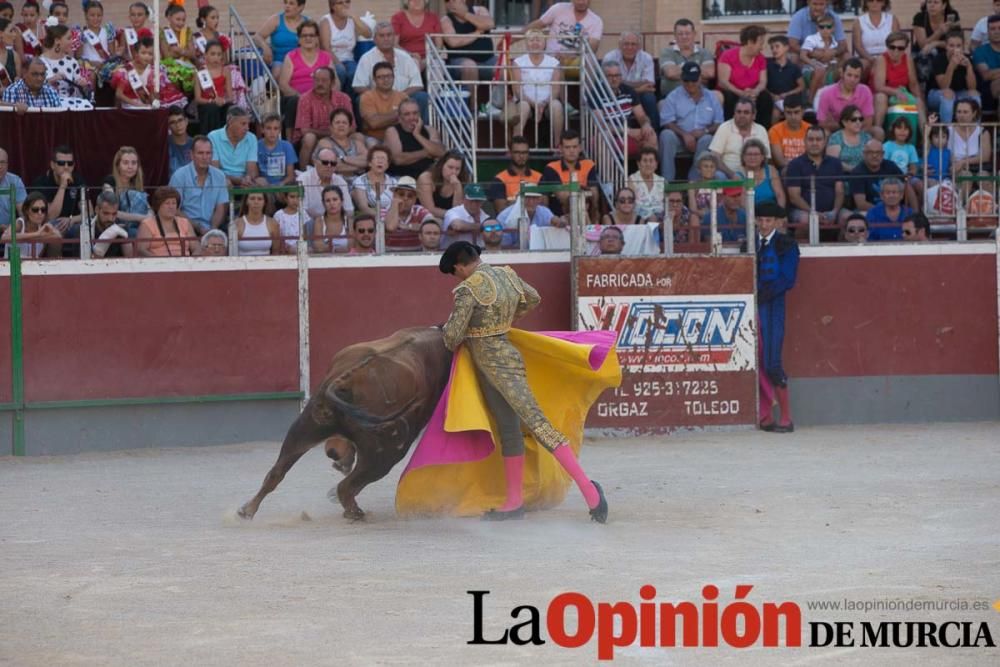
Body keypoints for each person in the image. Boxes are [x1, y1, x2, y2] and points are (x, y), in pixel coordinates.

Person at [438, 241, 608, 522]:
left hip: (494, 367)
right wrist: (505, 321)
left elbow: (452, 337)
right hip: (502, 362)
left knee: (539, 425)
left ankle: (590, 492)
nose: (457, 277)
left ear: (459, 265)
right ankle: (513, 502)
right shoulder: (507, 275)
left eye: (455, 272)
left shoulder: (468, 290)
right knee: (509, 429)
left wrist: (460, 328)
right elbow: (533, 298)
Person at [754, 201, 799, 433]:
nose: (763, 224)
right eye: (760, 220)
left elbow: (787, 279)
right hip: (752, 308)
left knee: (771, 361)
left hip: (772, 305)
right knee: (756, 360)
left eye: (768, 220)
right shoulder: (748, 244)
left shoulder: (787, 245)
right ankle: (765, 416)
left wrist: (760, 296)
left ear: (777, 222)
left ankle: (786, 418)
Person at [658, 61, 724, 182]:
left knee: (708, 139)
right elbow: (667, 121)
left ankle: (694, 180)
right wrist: (684, 134)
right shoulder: (674, 96)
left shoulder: (711, 97)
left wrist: (705, 131)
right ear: (682, 79)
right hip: (679, 137)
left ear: (700, 79)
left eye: (693, 80)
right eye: (686, 80)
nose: (690, 84)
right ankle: (667, 182)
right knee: (665, 135)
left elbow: (719, 122)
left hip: (701, 137)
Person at [353, 22, 427, 121]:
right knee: (360, 100)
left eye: (389, 35)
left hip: (404, 97)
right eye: (382, 35)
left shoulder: (405, 57)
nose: (386, 38)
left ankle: (420, 130)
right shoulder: (366, 58)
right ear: (374, 39)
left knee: (422, 97)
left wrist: (399, 97)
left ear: (394, 37)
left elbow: (417, 84)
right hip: (378, 100)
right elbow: (358, 86)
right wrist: (378, 96)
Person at [784, 126, 848, 229]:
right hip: (804, 211)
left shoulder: (835, 163)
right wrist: (814, 214)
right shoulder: (795, 164)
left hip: (832, 211)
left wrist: (835, 212)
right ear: (804, 141)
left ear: (825, 142)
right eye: (810, 139)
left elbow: (840, 191)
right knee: (807, 220)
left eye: (818, 139)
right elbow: (794, 197)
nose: (814, 143)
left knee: (848, 218)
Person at [293, 66, 354, 168]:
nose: (320, 84)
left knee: (358, 137)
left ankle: (359, 171)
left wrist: (338, 133)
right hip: (314, 139)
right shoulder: (305, 99)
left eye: (324, 80)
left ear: (333, 83)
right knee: (309, 138)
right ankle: (303, 175)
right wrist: (333, 133)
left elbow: (352, 127)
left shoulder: (344, 98)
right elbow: (305, 130)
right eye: (317, 80)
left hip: (340, 135)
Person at [511, 29, 564, 147]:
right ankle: (515, 146)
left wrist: (544, 104)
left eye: (538, 40)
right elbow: (517, 90)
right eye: (531, 40)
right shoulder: (518, 62)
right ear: (526, 43)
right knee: (523, 107)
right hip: (525, 101)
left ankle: (558, 146)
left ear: (544, 43)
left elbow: (556, 89)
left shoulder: (554, 62)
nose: (535, 43)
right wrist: (534, 105)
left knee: (557, 106)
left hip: (547, 102)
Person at [168, 135, 229, 235]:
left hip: (212, 227)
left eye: (208, 153)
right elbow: (175, 209)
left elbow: (221, 207)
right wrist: (197, 227)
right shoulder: (179, 176)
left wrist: (212, 231)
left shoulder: (219, 176)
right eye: (200, 153)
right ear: (191, 155)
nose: (205, 157)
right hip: (184, 227)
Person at [31, 144, 86, 254]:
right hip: (48, 224)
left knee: (84, 230)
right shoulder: (42, 182)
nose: (66, 167)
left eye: (70, 163)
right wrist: (62, 186)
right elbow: (50, 215)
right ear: (52, 165)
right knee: (53, 232)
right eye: (61, 163)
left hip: (71, 223)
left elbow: (89, 212)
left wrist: (72, 219)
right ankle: (54, 266)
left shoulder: (78, 180)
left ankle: (80, 266)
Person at [540, 129, 600, 224]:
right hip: (559, 218)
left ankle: (594, 226)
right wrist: (583, 190)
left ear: (580, 148)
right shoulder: (551, 167)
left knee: (595, 198)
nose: (571, 151)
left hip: (585, 213)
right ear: (560, 148)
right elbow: (563, 197)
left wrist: (576, 190)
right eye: (567, 147)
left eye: (575, 147)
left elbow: (594, 196)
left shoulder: (589, 165)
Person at [602, 31, 657, 130]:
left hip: (638, 96)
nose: (630, 47)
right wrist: (639, 88)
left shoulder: (646, 58)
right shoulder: (609, 57)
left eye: (633, 44)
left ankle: (653, 133)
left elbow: (649, 83)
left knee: (650, 98)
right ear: (619, 45)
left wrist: (622, 82)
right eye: (626, 44)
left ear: (639, 46)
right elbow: (610, 83)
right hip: (615, 93)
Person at [717, 25, 772, 125]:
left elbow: (763, 81)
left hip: (752, 93)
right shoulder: (728, 55)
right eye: (760, 43)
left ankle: (762, 131)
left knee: (766, 98)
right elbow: (723, 82)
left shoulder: (760, 58)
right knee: (729, 97)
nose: (762, 47)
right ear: (750, 42)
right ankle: (730, 130)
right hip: (733, 91)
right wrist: (741, 93)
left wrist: (756, 91)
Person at [526, 0, 603, 69]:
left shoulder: (596, 20)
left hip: (577, 61)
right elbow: (538, 24)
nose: (581, 2)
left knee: (589, 61)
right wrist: (515, 38)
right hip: (553, 58)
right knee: (555, 64)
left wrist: (571, 54)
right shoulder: (558, 8)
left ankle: (586, 85)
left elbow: (594, 46)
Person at [872, 31, 926, 129]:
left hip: (902, 93)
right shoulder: (882, 59)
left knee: (918, 101)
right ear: (887, 46)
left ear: (905, 49)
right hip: (885, 94)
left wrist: (921, 100)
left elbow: (913, 84)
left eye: (900, 48)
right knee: (881, 97)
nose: (896, 51)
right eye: (892, 47)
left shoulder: (908, 59)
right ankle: (877, 131)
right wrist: (895, 92)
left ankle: (925, 138)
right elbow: (879, 86)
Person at [816, 59, 880, 140]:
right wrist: (848, 125)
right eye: (849, 75)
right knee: (824, 133)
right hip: (837, 132)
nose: (852, 80)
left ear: (860, 77)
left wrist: (850, 126)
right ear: (842, 74)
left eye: (856, 76)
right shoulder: (827, 93)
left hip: (859, 131)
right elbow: (821, 123)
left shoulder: (865, 91)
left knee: (878, 132)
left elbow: (868, 122)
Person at [602, 62, 657, 155]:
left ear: (621, 76)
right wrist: (628, 131)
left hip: (627, 135)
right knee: (604, 136)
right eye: (610, 76)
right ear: (603, 77)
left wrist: (645, 125)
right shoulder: (596, 93)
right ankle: (604, 170)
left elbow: (641, 116)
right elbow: (601, 125)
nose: (614, 79)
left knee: (650, 135)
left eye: (617, 75)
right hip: (608, 135)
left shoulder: (628, 91)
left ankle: (649, 169)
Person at [385, 98, 445, 179]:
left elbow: (440, 152)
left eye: (415, 113)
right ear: (399, 118)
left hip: (427, 176)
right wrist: (427, 152)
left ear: (420, 115)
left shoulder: (430, 130)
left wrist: (417, 135)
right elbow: (398, 159)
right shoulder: (392, 131)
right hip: (401, 177)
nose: (412, 117)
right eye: (407, 114)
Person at [708, 97, 769, 178]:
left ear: (753, 115)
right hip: (727, 175)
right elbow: (715, 156)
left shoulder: (761, 130)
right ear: (734, 114)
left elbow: (765, 158)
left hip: (754, 175)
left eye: (746, 112)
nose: (742, 115)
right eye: (739, 112)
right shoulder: (725, 127)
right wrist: (732, 175)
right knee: (718, 175)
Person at [440, 0, 496, 85]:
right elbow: (453, 42)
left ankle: (499, 98)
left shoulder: (479, 10)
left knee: (503, 65)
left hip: (488, 59)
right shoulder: (446, 20)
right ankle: (471, 98)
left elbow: (489, 24)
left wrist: (465, 14)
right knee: (470, 66)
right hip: (460, 61)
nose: (450, 2)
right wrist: (478, 33)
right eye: (447, 1)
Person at [930, 28, 979, 124]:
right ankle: (947, 132)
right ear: (946, 46)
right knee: (948, 93)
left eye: (958, 46)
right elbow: (944, 87)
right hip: (936, 94)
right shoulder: (939, 59)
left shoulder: (967, 58)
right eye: (951, 45)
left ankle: (975, 131)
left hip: (959, 94)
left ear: (963, 47)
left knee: (975, 95)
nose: (955, 49)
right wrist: (951, 66)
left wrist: (969, 67)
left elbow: (972, 87)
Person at [319, 0, 372, 88]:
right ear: (333, 6)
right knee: (340, 72)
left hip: (349, 59)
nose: (345, 5)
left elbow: (368, 34)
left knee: (355, 74)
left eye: (347, 2)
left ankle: (349, 99)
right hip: (331, 59)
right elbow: (325, 47)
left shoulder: (352, 20)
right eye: (340, 3)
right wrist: (338, 63)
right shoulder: (326, 21)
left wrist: (355, 17)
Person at [278, 20, 332, 103]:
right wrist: (302, 98)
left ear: (317, 38)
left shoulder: (326, 57)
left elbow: (336, 83)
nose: (308, 38)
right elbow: (283, 85)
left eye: (311, 35)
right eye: (304, 35)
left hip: (322, 98)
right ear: (298, 39)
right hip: (297, 100)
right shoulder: (291, 56)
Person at [658, 18, 714, 97]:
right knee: (662, 105)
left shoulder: (704, 52)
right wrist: (696, 73)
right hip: (674, 97)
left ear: (694, 34)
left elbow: (710, 73)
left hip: (700, 96)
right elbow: (670, 73)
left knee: (718, 96)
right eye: (680, 34)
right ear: (675, 35)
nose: (684, 37)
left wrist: (680, 71)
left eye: (687, 33)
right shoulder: (667, 52)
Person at [137, 186, 198, 257]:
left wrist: (192, 261)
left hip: (185, 264)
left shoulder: (185, 222)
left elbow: (196, 247)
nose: (171, 206)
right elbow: (141, 250)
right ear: (158, 205)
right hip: (158, 265)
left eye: (174, 203)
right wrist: (160, 262)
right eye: (167, 203)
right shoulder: (147, 224)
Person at [850, 139, 908, 212]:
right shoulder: (857, 172)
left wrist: (914, 211)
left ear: (883, 154)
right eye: (870, 152)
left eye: (878, 152)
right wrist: (885, 211)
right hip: (869, 211)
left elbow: (906, 186)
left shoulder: (891, 166)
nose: (875, 155)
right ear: (864, 154)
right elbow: (861, 204)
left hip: (895, 208)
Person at [254, 0, 309, 78]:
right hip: (279, 62)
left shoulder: (307, 22)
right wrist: (265, 47)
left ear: (301, 7)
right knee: (279, 74)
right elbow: (257, 37)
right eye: (285, 2)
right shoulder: (276, 20)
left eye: (291, 3)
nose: (287, 6)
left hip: (301, 61)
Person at [208, 106, 259, 187]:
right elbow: (215, 170)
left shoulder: (251, 138)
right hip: (223, 178)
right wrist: (238, 180)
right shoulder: (213, 137)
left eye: (248, 124)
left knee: (261, 182)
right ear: (230, 122)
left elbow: (251, 167)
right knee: (224, 183)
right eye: (243, 124)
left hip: (244, 179)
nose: (247, 128)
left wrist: (248, 178)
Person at [298, 146, 354, 220]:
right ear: (315, 162)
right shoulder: (303, 180)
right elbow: (302, 209)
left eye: (333, 163)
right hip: (311, 223)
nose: (329, 166)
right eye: (325, 162)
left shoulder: (340, 181)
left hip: (336, 222)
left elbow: (349, 210)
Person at [358, 62, 409, 142]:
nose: (386, 80)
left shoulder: (403, 96)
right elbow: (373, 123)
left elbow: (410, 121)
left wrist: (382, 119)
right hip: (375, 139)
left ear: (394, 77)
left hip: (400, 138)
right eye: (380, 77)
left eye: (389, 76)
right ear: (374, 79)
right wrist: (399, 113)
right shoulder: (367, 97)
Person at [2, 191, 61, 259]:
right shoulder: (20, 223)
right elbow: (4, 237)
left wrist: (50, 231)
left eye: (43, 210)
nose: (40, 213)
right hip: (12, 266)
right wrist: (36, 234)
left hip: (33, 267)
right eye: (35, 210)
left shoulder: (43, 226)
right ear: (27, 210)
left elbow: (58, 236)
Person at [104, 145, 150, 230]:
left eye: (134, 163)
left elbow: (149, 210)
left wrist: (150, 216)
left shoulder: (137, 184)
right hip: (113, 228)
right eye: (125, 163)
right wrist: (142, 218)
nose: (130, 167)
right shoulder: (110, 181)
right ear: (118, 165)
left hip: (137, 227)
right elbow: (111, 211)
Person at [38, 24, 88, 101]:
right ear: (57, 40)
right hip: (48, 105)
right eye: (68, 38)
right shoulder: (39, 62)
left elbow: (78, 95)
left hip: (70, 107)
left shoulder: (72, 62)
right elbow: (33, 90)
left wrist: (82, 86)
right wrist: (50, 81)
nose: (72, 41)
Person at [193, 39, 232, 134]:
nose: (216, 57)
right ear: (206, 55)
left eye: (219, 54)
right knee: (212, 108)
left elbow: (231, 97)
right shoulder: (200, 73)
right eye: (213, 54)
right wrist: (212, 101)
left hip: (221, 104)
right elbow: (198, 99)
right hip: (206, 105)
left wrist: (223, 101)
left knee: (231, 109)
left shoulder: (226, 71)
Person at [384, 174, 433, 251]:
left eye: (410, 196)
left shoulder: (420, 211)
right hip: (389, 256)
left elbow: (431, 227)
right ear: (394, 195)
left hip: (416, 255)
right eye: (401, 194)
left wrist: (407, 226)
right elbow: (390, 227)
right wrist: (394, 206)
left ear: (415, 199)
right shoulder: (384, 211)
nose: (405, 198)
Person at [391, 0, 442, 72]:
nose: (417, 1)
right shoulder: (398, 18)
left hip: (429, 57)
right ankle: (416, 83)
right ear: (407, 2)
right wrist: (410, 55)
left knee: (437, 66)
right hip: (405, 56)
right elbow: (394, 44)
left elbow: (439, 46)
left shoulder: (433, 17)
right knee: (414, 63)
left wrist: (427, 59)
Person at [319, 108, 369, 181]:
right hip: (335, 182)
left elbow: (368, 162)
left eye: (344, 123)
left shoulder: (357, 144)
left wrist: (343, 159)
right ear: (331, 127)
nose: (341, 125)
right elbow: (331, 166)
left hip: (359, 183)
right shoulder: (325, 143)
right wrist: (359, 165)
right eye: (337, 122)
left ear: (349, 127)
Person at [853, 0, 900, 76]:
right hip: (866, 58)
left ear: (884, 2)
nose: (874, 3)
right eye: (871, 0)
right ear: (866, 3)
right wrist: (871, 59)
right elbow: (858, 47)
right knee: (862, 66)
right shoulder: (858, 21)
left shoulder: (892, 19)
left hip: (889, 56)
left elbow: (897, 42)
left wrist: (884, 59)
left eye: (878, 0)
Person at [800, 15, 840, 103]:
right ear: (817, 28)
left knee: (841, 70)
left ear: (833, 28)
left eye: (828, 27)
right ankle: (810, 101)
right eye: (821, 27)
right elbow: (802, 55)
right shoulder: (811, 39)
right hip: (810, 68)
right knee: (820, 70)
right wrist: (814, 64)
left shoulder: (834, 42)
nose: (825, 29)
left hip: (828, 69)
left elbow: (834, 59)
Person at [351, 144, 397, 218]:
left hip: (390, 219)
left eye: (383, 158)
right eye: (377, 158)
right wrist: (382, 218)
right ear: (369, 163)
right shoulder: (360, 181)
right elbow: (363, 207)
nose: (380, 161)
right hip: (369, 220)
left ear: (388, 164)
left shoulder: (394, 182)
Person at [421, 150, 470, 219]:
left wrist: (458, 188)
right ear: (441, 165)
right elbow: (430, 209)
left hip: (450, 220)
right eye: (450, 167)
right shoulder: (427, 177)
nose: (454, 172)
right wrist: (452, 215)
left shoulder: (462, 180)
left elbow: (458, 211)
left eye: (457, 169)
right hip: (428, 218)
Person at [766, 35, 804, 122]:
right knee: (776, 113)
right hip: (773, 100)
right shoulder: (768, 66)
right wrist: (773, 96)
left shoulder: (794, 67)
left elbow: (801, 86)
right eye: (772, 48)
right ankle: (773, 134)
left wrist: (787, 94)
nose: (774, 50)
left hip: (790, 100)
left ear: (786, 48)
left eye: (777, 46)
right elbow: (763, 85)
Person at [826, 104, 874, 172]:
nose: (858, 122)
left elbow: (873, 158)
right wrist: (854, 170)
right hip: (843, 177)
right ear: (844, 122)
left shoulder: (867, 137)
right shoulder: (836, 138)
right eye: (854, 120)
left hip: (865, 176)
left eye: (860, 119)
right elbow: (833, 163)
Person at [949, 98, 991, 174]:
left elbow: (985, 156)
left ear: (974, 113)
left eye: (965, 112)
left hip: (977, 167)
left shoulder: (982, 132)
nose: (961, 115)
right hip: (955, 168)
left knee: (983, 176)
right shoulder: (947, 131)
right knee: (965, 175)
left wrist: (963, 162)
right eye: (959, 112)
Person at [740, 139, 785, 208]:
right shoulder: (739, 175)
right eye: (749, 154)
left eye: (756, 154)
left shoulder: (771, 170)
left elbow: (779, 195)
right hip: (750, 214)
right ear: (743, 157)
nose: (752, 157)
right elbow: (742, 203)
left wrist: (780, 213)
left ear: (762, 157)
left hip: (771, 212)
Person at [768, 94, 810, 169]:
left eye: (796, 112)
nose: (793, 117)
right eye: (789, 112)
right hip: (786, 170)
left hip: (806, 169)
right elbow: (780, 161)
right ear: (784, 112)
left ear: (803, 111)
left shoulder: (810, 129)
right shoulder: (774, 130)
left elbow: (813, 157)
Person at [256, 112, 298, 188]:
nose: (272, 132)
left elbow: (290, 175)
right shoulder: (256, 146)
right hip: (263, 187)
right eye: (268, 128)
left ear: (280, 130)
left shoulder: (287, 146)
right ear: (262, 129)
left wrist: (281, 184)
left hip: (282, 186)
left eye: (276, 128)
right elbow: (254, 174)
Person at [308, 183, 352, 253]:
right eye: (328, 201)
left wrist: (330, 247)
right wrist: (336, 249)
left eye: (335, 199)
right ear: (323, 203)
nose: (332, 203)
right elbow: (318, 247)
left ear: (342, 201)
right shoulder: (319, 221)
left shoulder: (349, 221)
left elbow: (352, 246)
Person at [235, 191, 282, 256]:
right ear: (246, 201)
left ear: (265, 202)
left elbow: (276, 252)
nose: (256, 202)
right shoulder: (237, 224)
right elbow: (232, 252)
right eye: (252, 198)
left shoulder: (273, 224)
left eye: (259, 199)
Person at [90, 191, 133, 258]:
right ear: (97, 210)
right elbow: (88, 265)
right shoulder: (85, 231)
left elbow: (131, 261)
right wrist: (109, 234)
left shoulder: (121, 228)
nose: (110, 219)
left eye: (114, 214)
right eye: (106, 213)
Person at [628, 147, 666, 222]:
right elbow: (631, 204)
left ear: (656, 164)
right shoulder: (632, 179)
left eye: (651, 161)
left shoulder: (662, 181)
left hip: (660, 218)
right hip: (639, 218)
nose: (648, 164)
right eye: (645, 161)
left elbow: (666, 203)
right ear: (638, 164)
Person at [973, 15, 1000, 107]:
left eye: (999, 28)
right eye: (993, 29)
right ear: (988, 32)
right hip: (989, 90)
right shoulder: (980, 51)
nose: (997, 32)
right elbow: (986, 75)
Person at [0, 146, 27, 229]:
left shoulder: (15, 181)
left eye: (2, 162)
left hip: (9, 233)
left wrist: (16, 226)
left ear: (7, 165)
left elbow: (25, 214)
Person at [167, 107, 194, 174]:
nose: (178, 125)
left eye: (180, 120)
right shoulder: (164, 146)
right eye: (173, 122)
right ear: (168, 126)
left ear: (186, 121)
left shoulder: (195, 144)